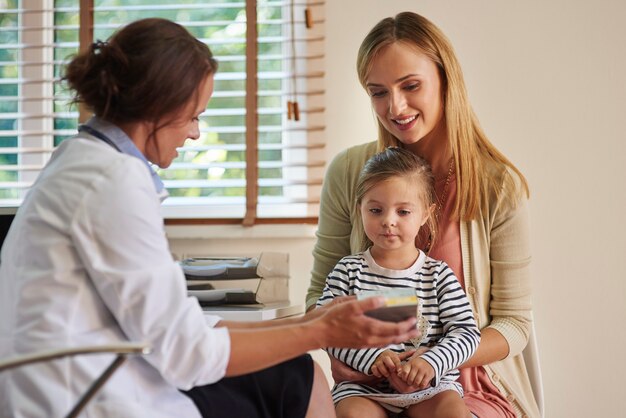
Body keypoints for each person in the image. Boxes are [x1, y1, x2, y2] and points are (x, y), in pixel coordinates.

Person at [0, 18, 420, 418]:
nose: (195, 133)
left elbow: (177, 324)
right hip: (79, 397)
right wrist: (321, 333)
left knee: (296, 373)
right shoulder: (113, 180)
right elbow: (185, 353)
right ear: (159, 105)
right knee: (296, 380)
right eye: (194, 115)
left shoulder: (81, 159)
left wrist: (312, 322)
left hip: (74, 376)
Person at [306, 11, 540, 418]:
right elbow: (319, 301)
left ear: (445, 79)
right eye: (378, 92)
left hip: (465, 382)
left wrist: (433, 359)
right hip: (366, 383)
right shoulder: (349, 173)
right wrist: (353, 355)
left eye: (410, 85)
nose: (394, 107)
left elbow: (514, 325)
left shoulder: (497, 186)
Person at [316, 147, 480, 418]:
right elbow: (325, 329)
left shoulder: (438, 276)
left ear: (425, 215)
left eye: (403, 212)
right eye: (376, 210)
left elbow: (466, 333)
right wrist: (371, 360)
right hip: (363, 389)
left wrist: (431, 361)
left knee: (453, 413)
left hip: (430, 388)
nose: (388, 221)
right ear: (361, 210)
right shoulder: (347, 271)